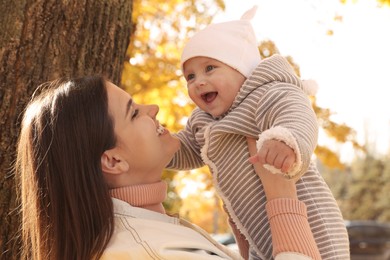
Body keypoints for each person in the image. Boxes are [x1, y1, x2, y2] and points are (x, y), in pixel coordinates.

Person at [15, 75, 321, 260]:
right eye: (134, 113)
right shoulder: (146, 250)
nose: (153, 109)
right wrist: (281, 196)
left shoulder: (151, 229)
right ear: (113, 160)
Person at [167, 6, 350, 260]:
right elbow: (186, 150)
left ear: (241, 69)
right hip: (258, 236)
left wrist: (285, 140)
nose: (198, 81)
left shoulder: (264, 94)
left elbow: (296, 113)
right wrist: (157, 149)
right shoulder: (202, 122)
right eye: (190, 76)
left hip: (312, 223)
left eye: (210, 68)